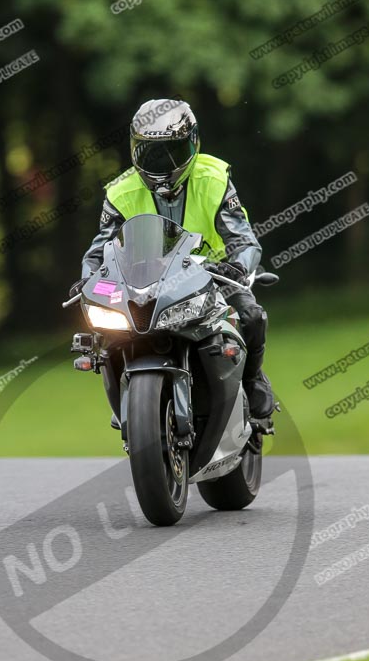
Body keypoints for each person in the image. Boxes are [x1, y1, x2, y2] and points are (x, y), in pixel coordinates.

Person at [70, 99, 275, 422]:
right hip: (144, 282)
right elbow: (99, 250)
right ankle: (129, 395)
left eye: (172, 151)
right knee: (104, 329)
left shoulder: (215, 178)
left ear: (193, 143)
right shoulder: (120, 192)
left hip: (213, 274)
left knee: (250, 315)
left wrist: (237, 266)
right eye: (151, 152)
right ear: (135, 149)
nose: (162, 162)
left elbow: (244, 239)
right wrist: (88, 278)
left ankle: (252, 380)